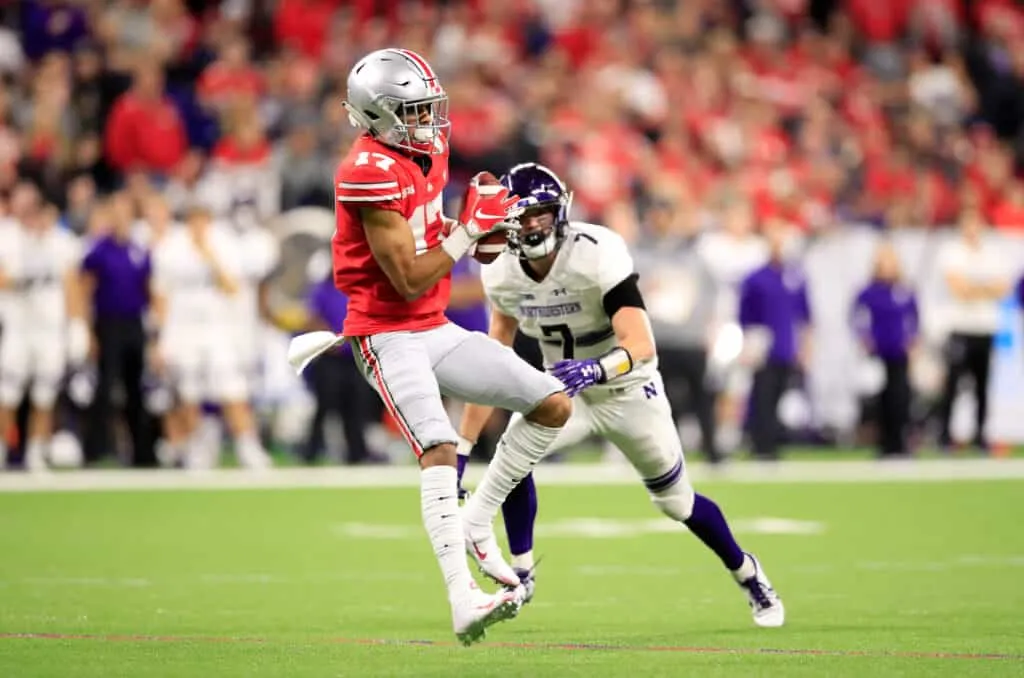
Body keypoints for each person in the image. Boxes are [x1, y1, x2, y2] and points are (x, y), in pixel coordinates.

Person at [457, 163, 785, 628]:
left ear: (562, 212)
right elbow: (492, 366)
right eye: (523, 216)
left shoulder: (596, 251)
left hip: (624, 384)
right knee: (510, 465)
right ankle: (522, 572)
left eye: (543, 214)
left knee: (677, 502)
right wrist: (462, 450)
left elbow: (640, 343)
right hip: (561, 388)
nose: (534, 225)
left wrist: (595, 367)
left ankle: (746, 570)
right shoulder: (502, 273)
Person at [333, 49, 572, 645]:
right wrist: (469, 231)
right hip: (384, 334)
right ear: (376, 115)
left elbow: (444, 239)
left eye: (429, 108)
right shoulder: (364, 170)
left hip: (433, 326)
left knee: (551, 404)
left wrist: (490, 228)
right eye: (413, 111)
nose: (430, 122)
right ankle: (463, 599)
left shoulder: (428, 150)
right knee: (439, 447)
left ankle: (478, 514)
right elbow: (408, 277)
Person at [80, 192, 156, 467]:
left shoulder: (138, 249)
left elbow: (148, 289)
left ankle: (142, 453)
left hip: (133, 323)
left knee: (136, 388)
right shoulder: (99, 249)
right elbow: (86, 288)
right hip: (108, 323)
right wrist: (87, 330)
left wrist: (153, 328)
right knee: (105, 386)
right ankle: (95, 450)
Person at [935, 210, 1012, 452]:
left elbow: (1003, 288)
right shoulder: (952, 251)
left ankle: (981, 435)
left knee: (982, 385)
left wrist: (974, 289)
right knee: (953, 385)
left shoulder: (993, 252)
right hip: (960, 326)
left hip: (985, 327)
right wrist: (984, 289)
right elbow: (958, 289)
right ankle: (946, 436)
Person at [738, 225, 812, 460]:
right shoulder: (756, 278)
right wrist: (749, 345)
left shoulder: (795, 277)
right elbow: (745, 316)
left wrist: (806, 346)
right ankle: (760, 444)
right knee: (762, 395)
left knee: (780, 395)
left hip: (787, 346)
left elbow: (805, 316)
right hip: (763, 347)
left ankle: (772, 442)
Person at [851, 243, 920, 457]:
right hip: (878, 355)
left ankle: (900, 444)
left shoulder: (904, 291)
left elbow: (915, 320)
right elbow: (857, 318)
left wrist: (913, 344)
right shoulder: (868, 292)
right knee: (881, 400)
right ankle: (884, 445)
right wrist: (865, 340)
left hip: (900, 354)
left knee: (901, 399)